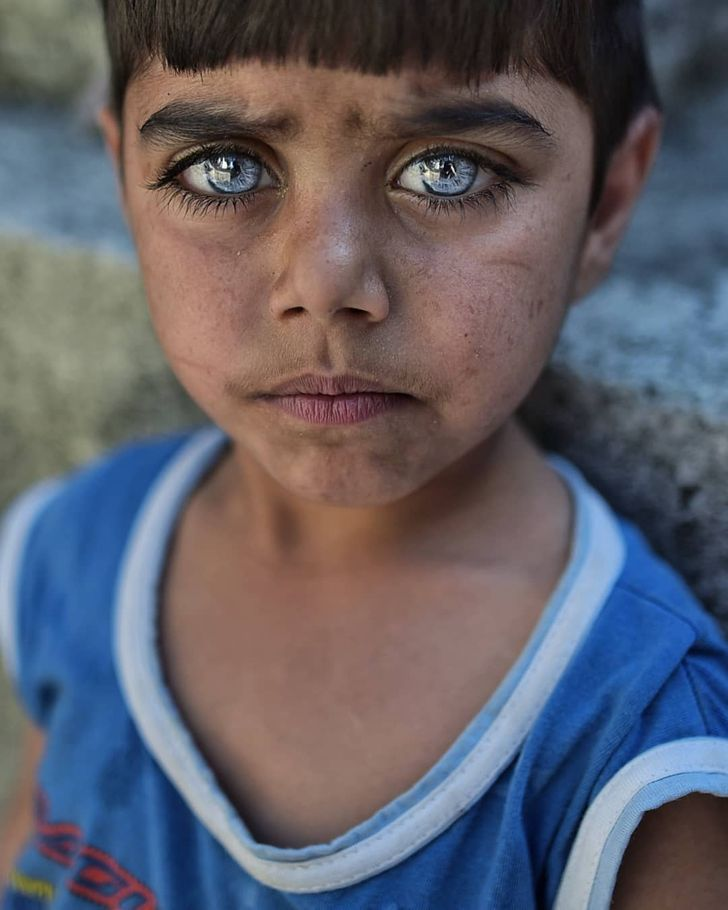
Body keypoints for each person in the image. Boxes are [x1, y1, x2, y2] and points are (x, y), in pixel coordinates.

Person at [1, 1, 728, 907]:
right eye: (223, 168)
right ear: (121, 177)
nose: (326, 283)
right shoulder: (69, 556)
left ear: (607, 203)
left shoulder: (631, 750)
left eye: (450, 171)